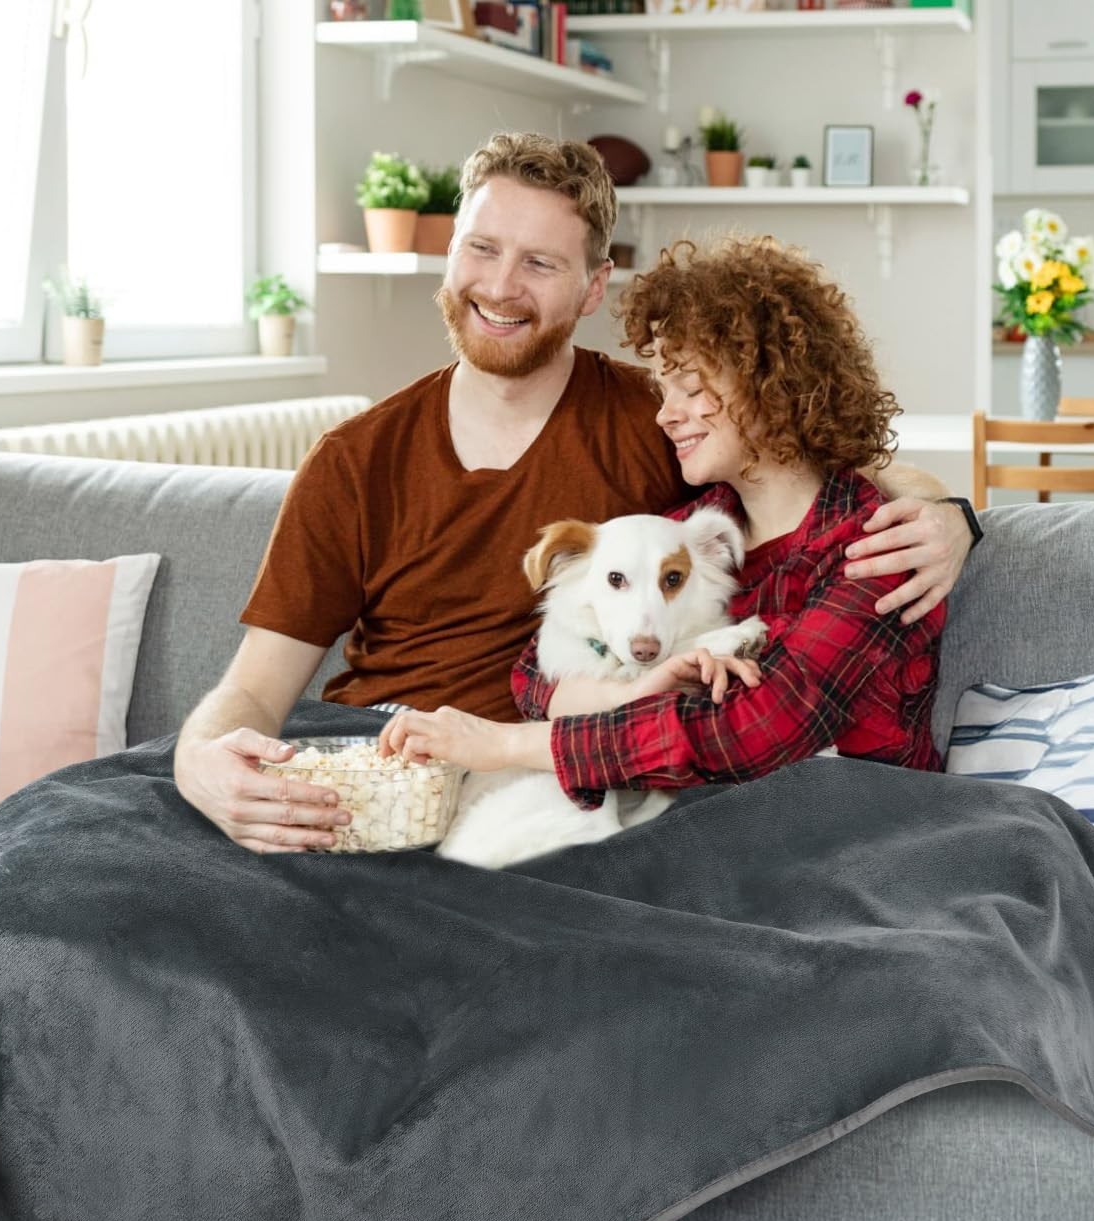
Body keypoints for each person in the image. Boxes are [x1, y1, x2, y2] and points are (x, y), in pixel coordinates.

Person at [174, 134, 977, 855]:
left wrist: (948, 515)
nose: (500, 285)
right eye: (482, 248)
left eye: (540, 263)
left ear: (594, 288)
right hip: (380, 751)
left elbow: (810, 463)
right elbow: (254, 687)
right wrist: (198, 762)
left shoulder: (662, 429)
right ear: (451, 251)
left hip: (545, 788)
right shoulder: (354, 460)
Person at [376, 234, 946, 809]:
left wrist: (503, 744)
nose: (665, 416)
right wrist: (637, 692)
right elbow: (534, 676)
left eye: (690, 389)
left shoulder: (880, 550)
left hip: (852, 822)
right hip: (705, 822)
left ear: (776, 389)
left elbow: (750, 733)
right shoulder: (689, 528)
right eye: (663, 390)